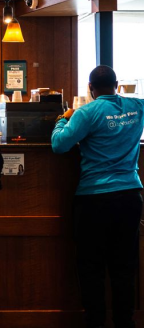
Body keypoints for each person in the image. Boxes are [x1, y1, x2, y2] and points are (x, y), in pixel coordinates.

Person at [51, 65, 144, 328]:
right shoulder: (138, 107)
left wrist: (62, 119)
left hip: (94, 199)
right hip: (130, 196)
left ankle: (96, 323)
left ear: (90, 88)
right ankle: (125, 322)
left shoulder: (86, 112)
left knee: (91, 268)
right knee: (125, 267)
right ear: (117, 85)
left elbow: (59, 144)